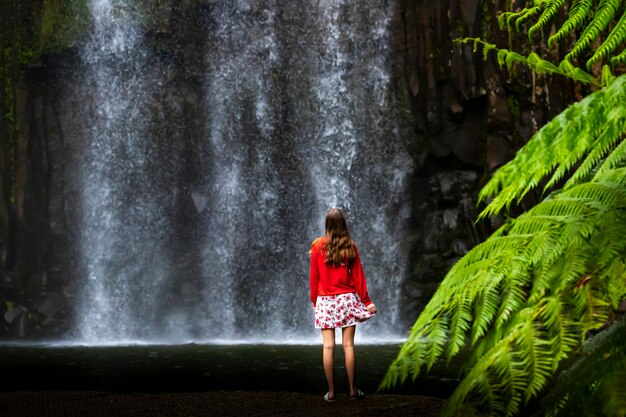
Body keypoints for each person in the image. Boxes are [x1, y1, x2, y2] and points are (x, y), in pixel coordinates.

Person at [309, 208, 377, 402]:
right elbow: (358, 276)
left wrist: (315, 301)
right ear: (343, 224)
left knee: (328, 347)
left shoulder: (317, 246)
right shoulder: (350, 246)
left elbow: (314, 277)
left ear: (327, 224)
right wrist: (366, 301)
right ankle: (353, 391)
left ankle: (331, 393)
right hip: (347, 298)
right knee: (348, 345)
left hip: (326, 301)